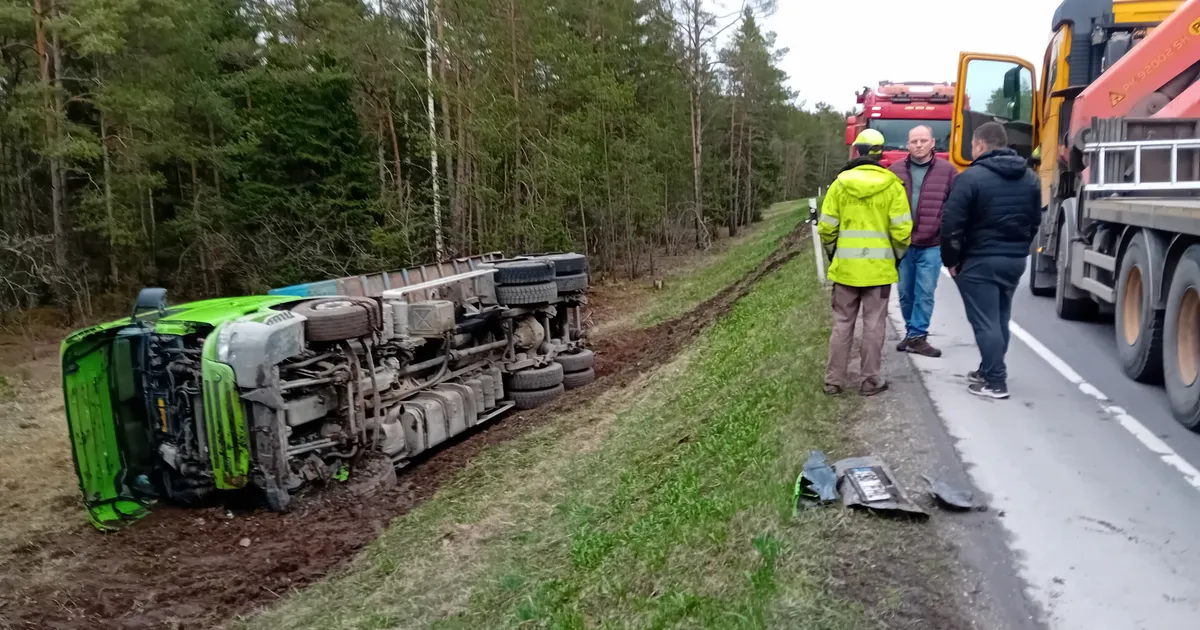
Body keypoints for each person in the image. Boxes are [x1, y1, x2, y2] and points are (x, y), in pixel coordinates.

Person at [941, 122, 1041, 399]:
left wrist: (951, 259)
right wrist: (1021, 248)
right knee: (999, 318)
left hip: (980, 260)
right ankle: (988, 369)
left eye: (973, 146)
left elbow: (952, 224)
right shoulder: (1030, 178)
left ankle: (996, 381)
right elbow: (1035, 220)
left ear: (980, 145)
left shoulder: (971, 178)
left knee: (985, 322)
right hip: (1014, 259)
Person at [818, 129, 913, 396]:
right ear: (880, 153)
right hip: (879, 273)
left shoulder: (839, 184)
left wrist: (835, 249)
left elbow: (826, 228)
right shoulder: (893, 186)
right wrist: (895, 255)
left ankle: (833, 381)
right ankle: (870, 381)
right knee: (873, 325)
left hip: (846, 270)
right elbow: (903, 231)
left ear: (857, 151)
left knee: (842, 323)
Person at [889, 125, 958, 357]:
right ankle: (912, 333)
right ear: (907, 145)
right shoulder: (895, 170)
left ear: (932, 143)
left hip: (932, 243)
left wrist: (943, 226)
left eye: (923, 140)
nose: (918, 145)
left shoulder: (948, 171)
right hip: (903, 243)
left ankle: (918, 334)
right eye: (914, 141)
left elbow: (955, 204)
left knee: (925, 291)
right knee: (905, 292)